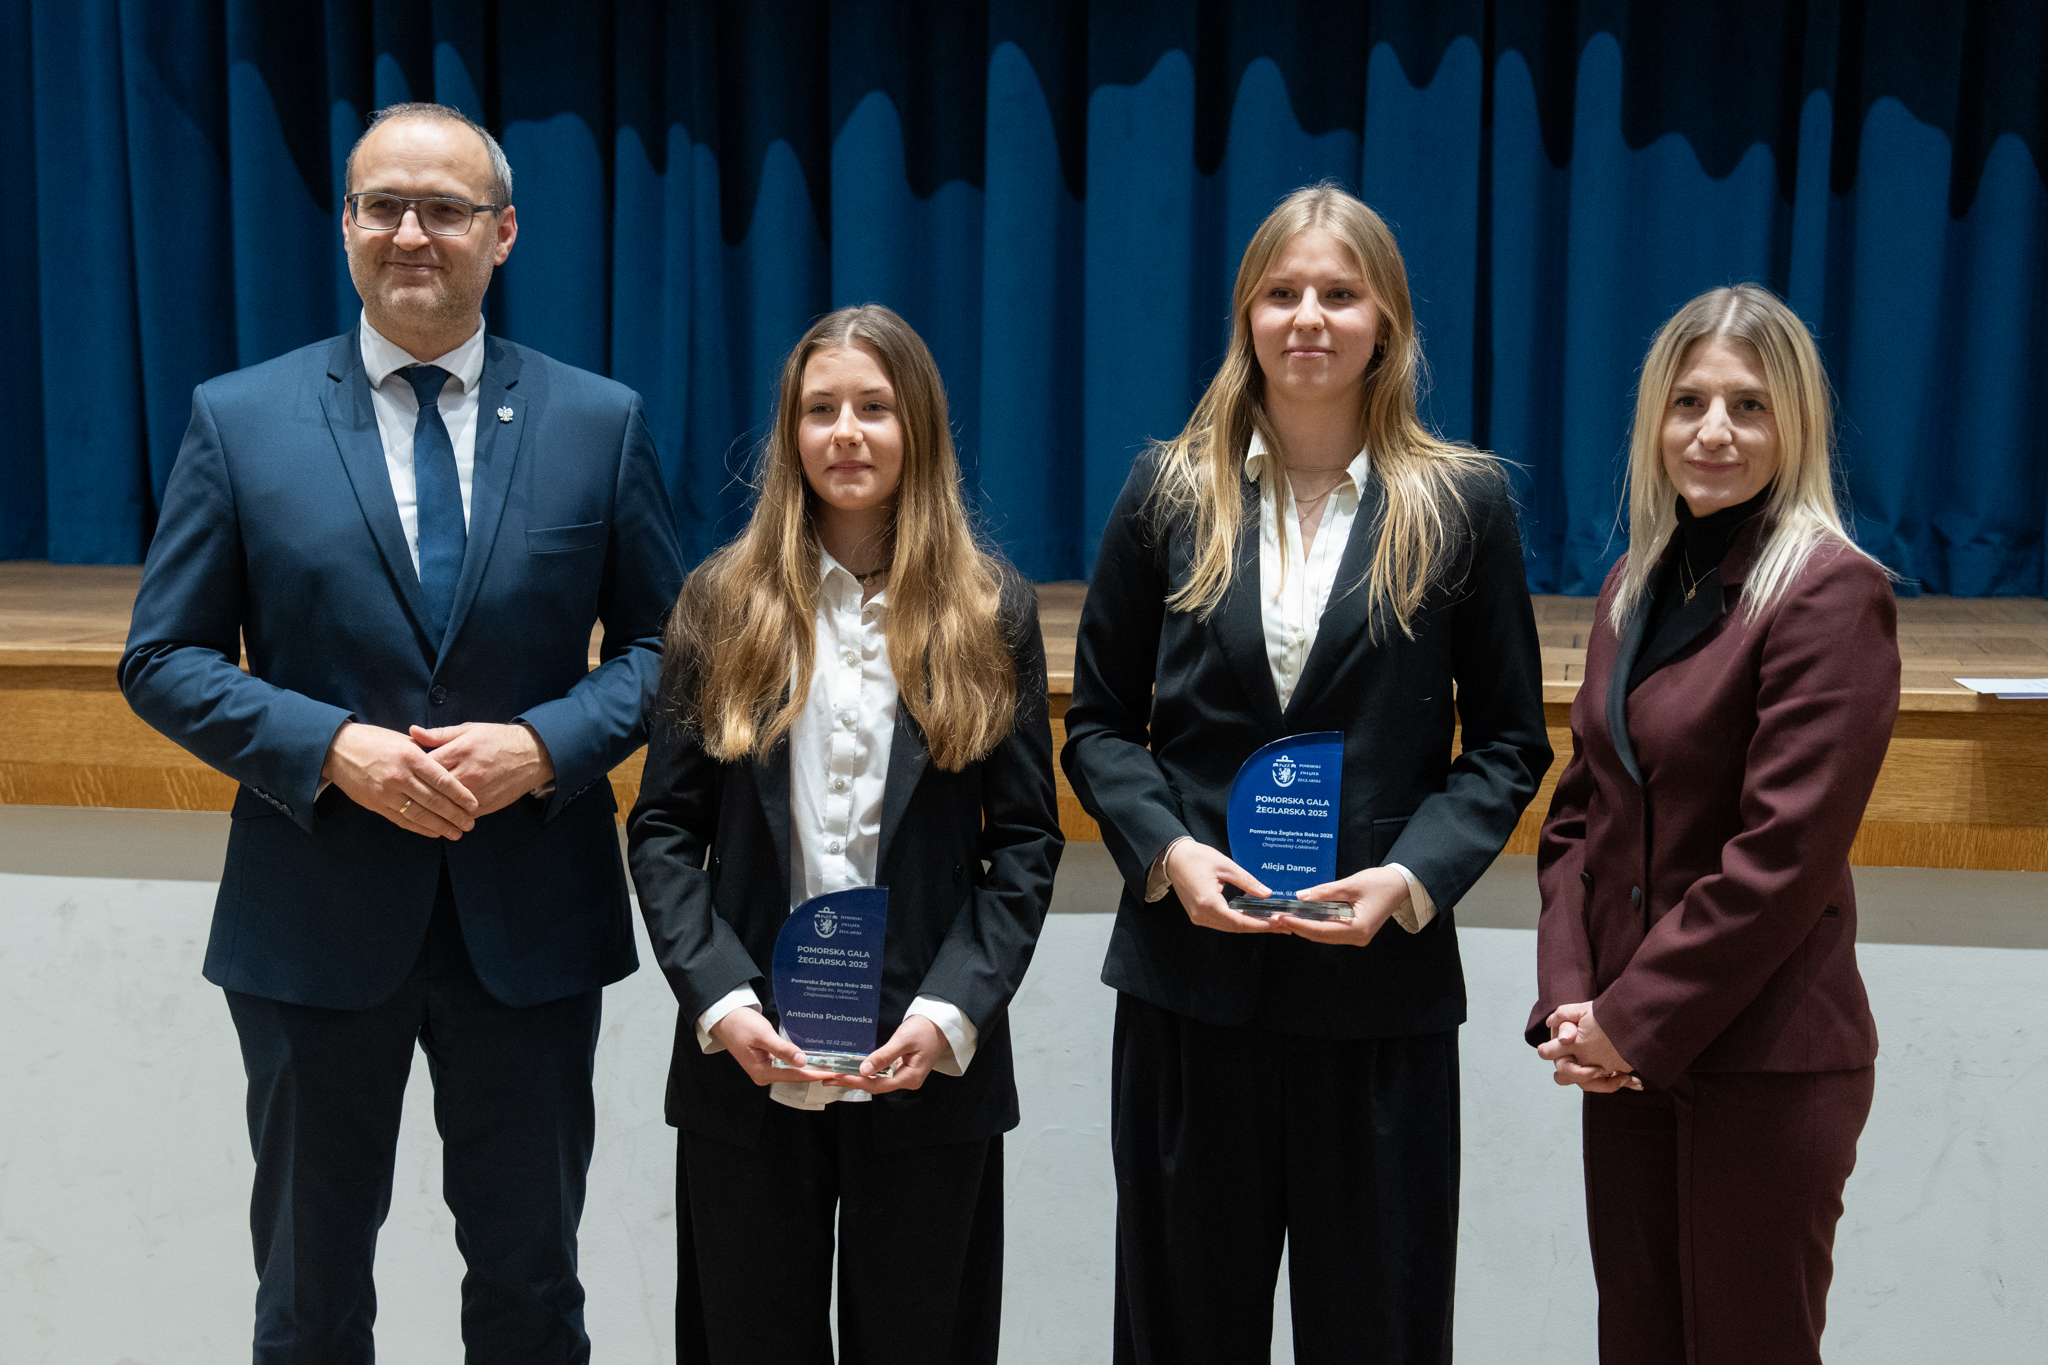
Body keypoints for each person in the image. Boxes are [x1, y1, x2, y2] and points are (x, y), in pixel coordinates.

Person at [119, 103, 684, 1362]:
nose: (410, 234)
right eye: (383, 206)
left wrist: (544, 744)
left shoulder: (599, 422)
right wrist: (331, 748)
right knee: (310, 1302)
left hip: (529, 927)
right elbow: (161, 659)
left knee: (534, 1292)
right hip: (313, 926)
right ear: (345, 227)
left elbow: (674, 656)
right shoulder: (239, 418)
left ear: (504, 233)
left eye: (443, 209)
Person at [1061, 182, 1551, 1364]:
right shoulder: (1166, 492)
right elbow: (1096, 729)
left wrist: (1410, 880)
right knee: (1180, 1328)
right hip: (1191, 988)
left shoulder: (1461, 503)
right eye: (1281, 293)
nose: (1308, 318)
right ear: (1244, 316)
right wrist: (1169, 855)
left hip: (1374, 995)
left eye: (1338, 293)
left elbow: (1505, 744)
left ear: (1384, 318)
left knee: (1376, 1330)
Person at [626, 303, 1062, 1365]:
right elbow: (664, 831)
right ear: (791, 434)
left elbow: (1026, 844)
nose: (846, 433)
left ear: (916, 426)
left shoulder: (986, 609)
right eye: (820, 410)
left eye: (873, 407)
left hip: (923, 1069)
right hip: (751, 1068)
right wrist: (722, 1005)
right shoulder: (720, 603)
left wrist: (952, 1012)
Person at [1528, 284, 1899, 1364]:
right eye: (1687, 403)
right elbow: (1577, 820)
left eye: (1747, 406)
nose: (1713, 432)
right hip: (1627, 1058)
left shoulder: (1830, 593)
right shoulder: (1625, 589)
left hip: (1764, 1059)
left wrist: (1631, 1017)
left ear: (1794, 427)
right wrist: (1570, 1003)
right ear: (1653, 421)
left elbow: (1778, 857)